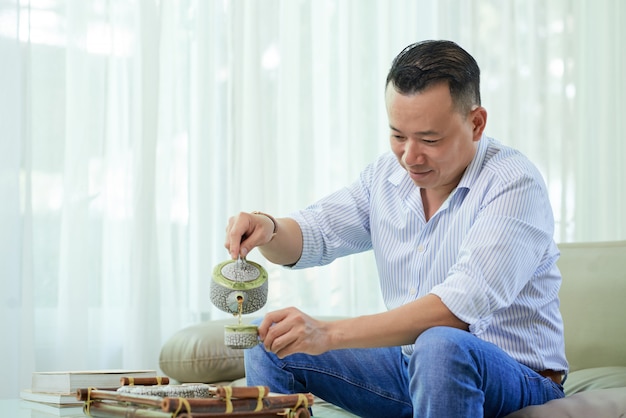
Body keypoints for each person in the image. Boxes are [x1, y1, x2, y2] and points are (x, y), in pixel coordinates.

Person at [224, 40, 567, 418]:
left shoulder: (514, 183)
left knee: (440, 345)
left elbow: (456, 311)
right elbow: (312, 235)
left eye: (430, 139)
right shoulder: (385, 177)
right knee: (270, 337)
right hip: (411, 369)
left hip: (516, 377)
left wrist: (328, 334)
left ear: (476, 123)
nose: (410, 157)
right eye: (398, 136)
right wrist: (268, 228)